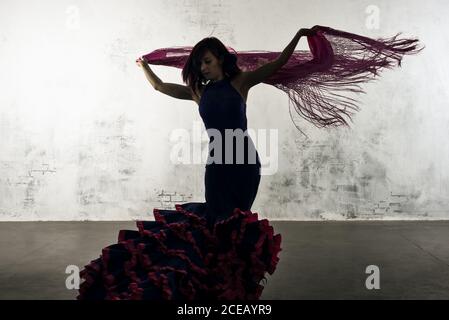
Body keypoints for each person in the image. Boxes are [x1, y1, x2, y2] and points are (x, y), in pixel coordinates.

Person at [75, 28, 318, 301]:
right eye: (199, 64)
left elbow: (277, 64)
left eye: (208, 61)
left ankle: (228, 289)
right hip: (217, 166)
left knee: (235, 227)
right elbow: (160, 87)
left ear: (221, 60)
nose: (202, 68)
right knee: (214, 224)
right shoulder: (197, 92)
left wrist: (298, 36)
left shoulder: (241, 83)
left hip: (245, 165)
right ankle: (207, 288)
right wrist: (144, 67)